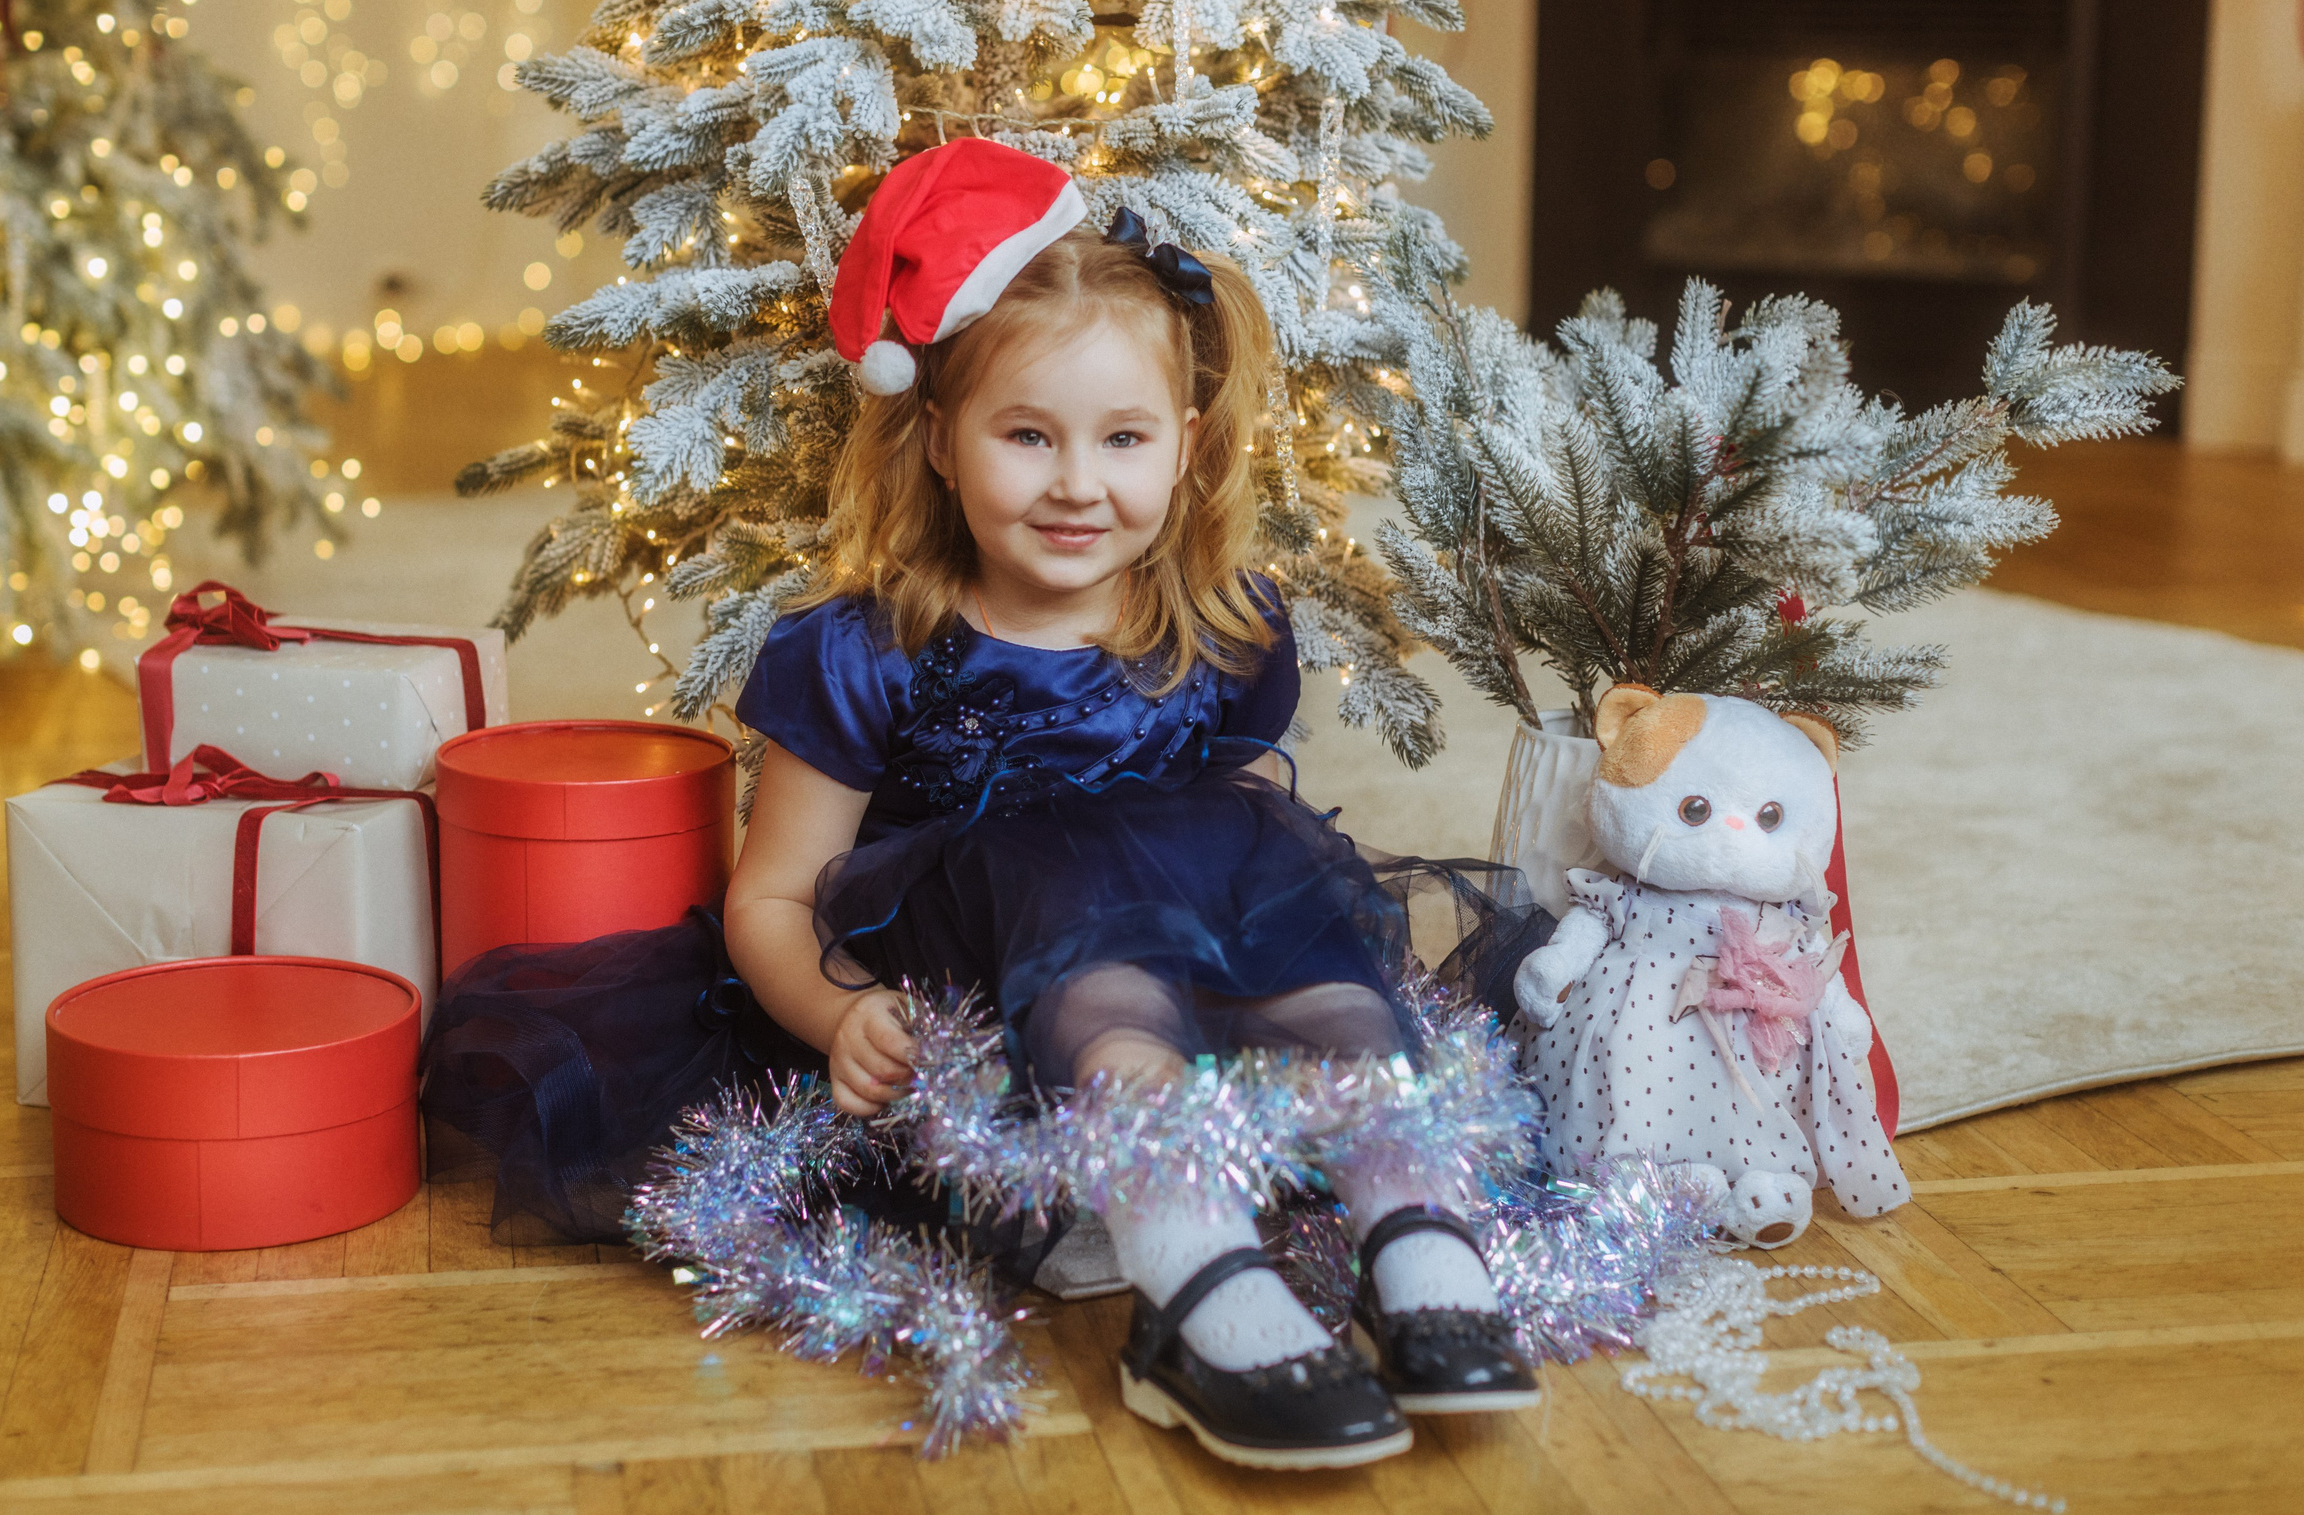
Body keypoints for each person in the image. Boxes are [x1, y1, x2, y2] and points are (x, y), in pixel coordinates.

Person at [422, 138, 1550, 1470]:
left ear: (1187, 449)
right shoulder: (866, 647)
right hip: (973, 987)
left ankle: (1418, 1243)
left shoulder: (1227, 622)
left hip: (1163, 967)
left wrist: (1268, 951)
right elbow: (774, 895)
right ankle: (1195, 1302)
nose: (1080, 483)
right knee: (1086, 950)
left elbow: (1244, 829)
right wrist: (836, 1013)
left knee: (1332, 989)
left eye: (1124, 439)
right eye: (1028, 435)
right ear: (941, 443)